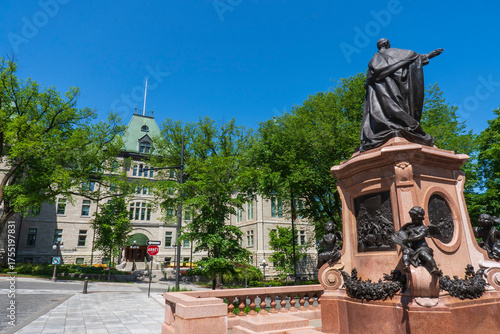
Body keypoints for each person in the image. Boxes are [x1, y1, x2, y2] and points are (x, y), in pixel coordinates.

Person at [360, 38, 443, 152]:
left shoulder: (373, 60)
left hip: (381, 93)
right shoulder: (395, 53)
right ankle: (403, 126)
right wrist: (428, 56)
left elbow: (369, 81)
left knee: (386, 108)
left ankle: (396, 126)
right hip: (390, 90)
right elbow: (412, 57)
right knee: (396, 106)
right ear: (387, 44)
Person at [392, 206, 440, 274]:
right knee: (406, 251)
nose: (413, 220)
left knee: (423, 254)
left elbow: (419, 237)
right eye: (412, 219)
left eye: (415, 219)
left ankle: (434, 267)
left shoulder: (423, 228)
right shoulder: (410, 227)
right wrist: (406, 226)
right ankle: (406, 266)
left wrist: (409, 239)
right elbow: (401, 233)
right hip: (413, 249)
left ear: (420, 219)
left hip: (423, 248)